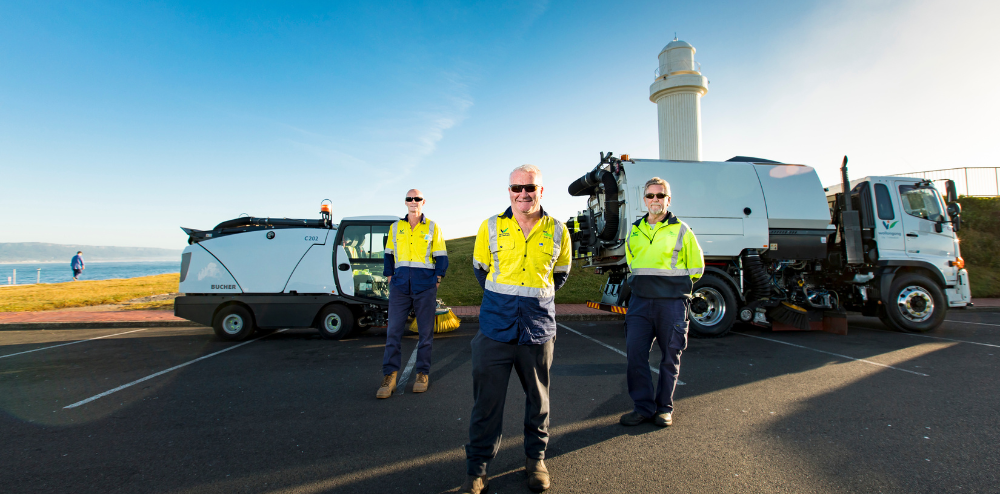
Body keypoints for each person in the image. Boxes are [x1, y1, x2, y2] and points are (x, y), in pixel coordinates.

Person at [461, 165, 571, 494]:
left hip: (537, 330)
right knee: (486, 404)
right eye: (516, 187)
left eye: (530, 187)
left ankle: (535, 460)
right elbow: (481, 270)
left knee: (538, 401)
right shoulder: (490, 227)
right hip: (495, 329)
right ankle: (477, 470)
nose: (523, 193)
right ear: (509, 191)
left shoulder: (558, 230)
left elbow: (560, 274)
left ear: (541, 190)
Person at [619, 177, 704, 428]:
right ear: (644, 199)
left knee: (670, 357)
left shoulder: (682, 230)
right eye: (650, 195)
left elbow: (696, 268)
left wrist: (674, 287)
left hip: (672, 304)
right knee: (635, 356)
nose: (655, 200)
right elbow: (632, 263)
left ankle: (664, 409)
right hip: (640, 303)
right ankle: (643, 408)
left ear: (668, 199)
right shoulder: (634, 230)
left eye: (660, 195)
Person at [377, 189, 448, 398]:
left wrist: (437, 279)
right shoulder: (395, 227)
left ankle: (422, 374)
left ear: (423, 202)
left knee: (425, 334)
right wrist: (390, 277)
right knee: (393, 333)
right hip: (400, 286)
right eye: (410, 198)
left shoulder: (433, 227)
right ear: (405, 202)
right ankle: (389, 376)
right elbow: (388, 255)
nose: (413, 201)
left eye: (417, 198)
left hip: (424, 286)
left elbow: (441, 256)